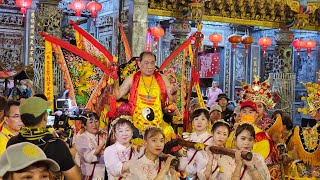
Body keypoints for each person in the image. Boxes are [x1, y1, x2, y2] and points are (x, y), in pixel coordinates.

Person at [6, 97, 81, 180]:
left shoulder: (12, 143)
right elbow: (75, 177)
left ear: (22, 119)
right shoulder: (56, 145)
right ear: (45, 117)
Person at [116, 51, 178, 136]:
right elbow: (118, 94)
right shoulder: (132, 78)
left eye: (152, 63)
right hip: (137, 122)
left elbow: (173, 98)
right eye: (146, 63)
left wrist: (174, 92)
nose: (150, 66)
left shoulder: (161, 78)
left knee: (169, 132)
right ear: (139, 63)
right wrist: (112, 81)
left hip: (158, 123)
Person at [179, 108, 213, 179]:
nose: (199, 122)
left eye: (203, 119)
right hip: (187, 174)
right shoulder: (188, 137)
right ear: (192, 122)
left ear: (208, 123)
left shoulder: (211, 140)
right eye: (196, 119)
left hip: (202, 175)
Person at [75, 112, 106, 180]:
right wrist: (102, 145)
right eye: (91, 122)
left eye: (96, 121)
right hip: (89, 177)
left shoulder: (101, 138)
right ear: (85, 126)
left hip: (102, 175)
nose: (94, 125)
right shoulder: (81, 139)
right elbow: (88, 158)